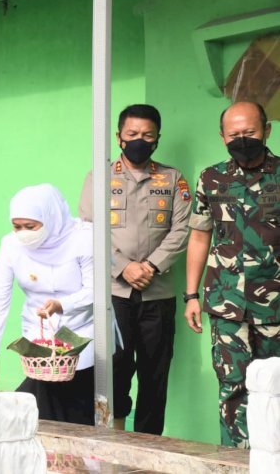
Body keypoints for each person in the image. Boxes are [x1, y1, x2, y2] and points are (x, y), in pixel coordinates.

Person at [78, 104, 191, 435]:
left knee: (155, 374)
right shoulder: (98, 178)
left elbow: (181, 229)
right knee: (113, 369)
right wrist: (123, 267)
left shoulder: (173, 179)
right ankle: (110, 437)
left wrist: (151, 266)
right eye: (132, 135)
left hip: (158, 293)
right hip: (115, 294)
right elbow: (89, 228)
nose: (139, 141)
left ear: (157, 139)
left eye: (147, 135)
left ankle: (148, 445)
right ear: (119, 137)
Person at [184, 101, 279, 449]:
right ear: (223, 137)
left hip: (275, 305)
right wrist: (191, 295)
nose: (242, 140)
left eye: (249, 133)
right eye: (234, 134)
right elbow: (199, 236)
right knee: (232, 387)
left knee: (276, 387)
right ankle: (235, 464)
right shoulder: (211, 178)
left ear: (267, 131)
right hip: (226, 304)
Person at [0, 184, 95, 425]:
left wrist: (63, 304)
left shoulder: (83, 239)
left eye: (30, 227)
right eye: (17, 226)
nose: (23, 233)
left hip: (83, 333)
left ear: (49, 218)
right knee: (41, 408)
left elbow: (96, 291)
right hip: (39, 338)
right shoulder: (10, 245)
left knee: (75, 409)